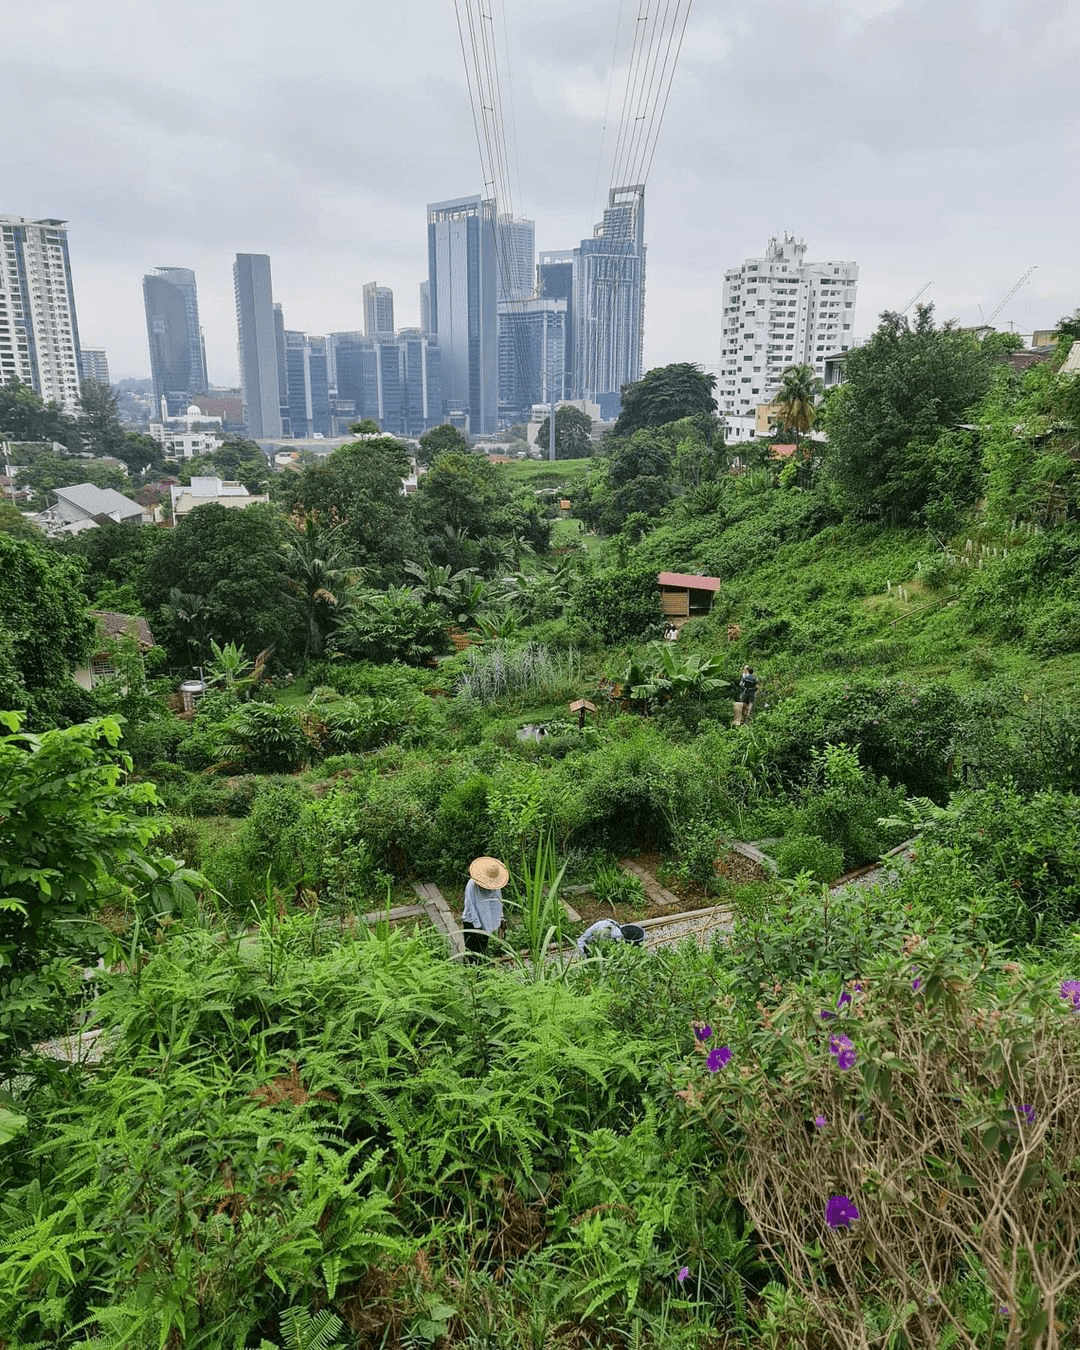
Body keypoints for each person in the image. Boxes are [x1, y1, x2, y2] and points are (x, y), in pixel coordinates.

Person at [462, 855, 508, 960]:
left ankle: (481, 970)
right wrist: (478, 927)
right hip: (472, 922)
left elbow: (498, 902)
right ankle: (469, 969)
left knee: (482, 949)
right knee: (471, 950)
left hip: (488, 920)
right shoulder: (472, 885)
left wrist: (501, 918)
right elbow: (471, 907)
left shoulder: (496, 886)